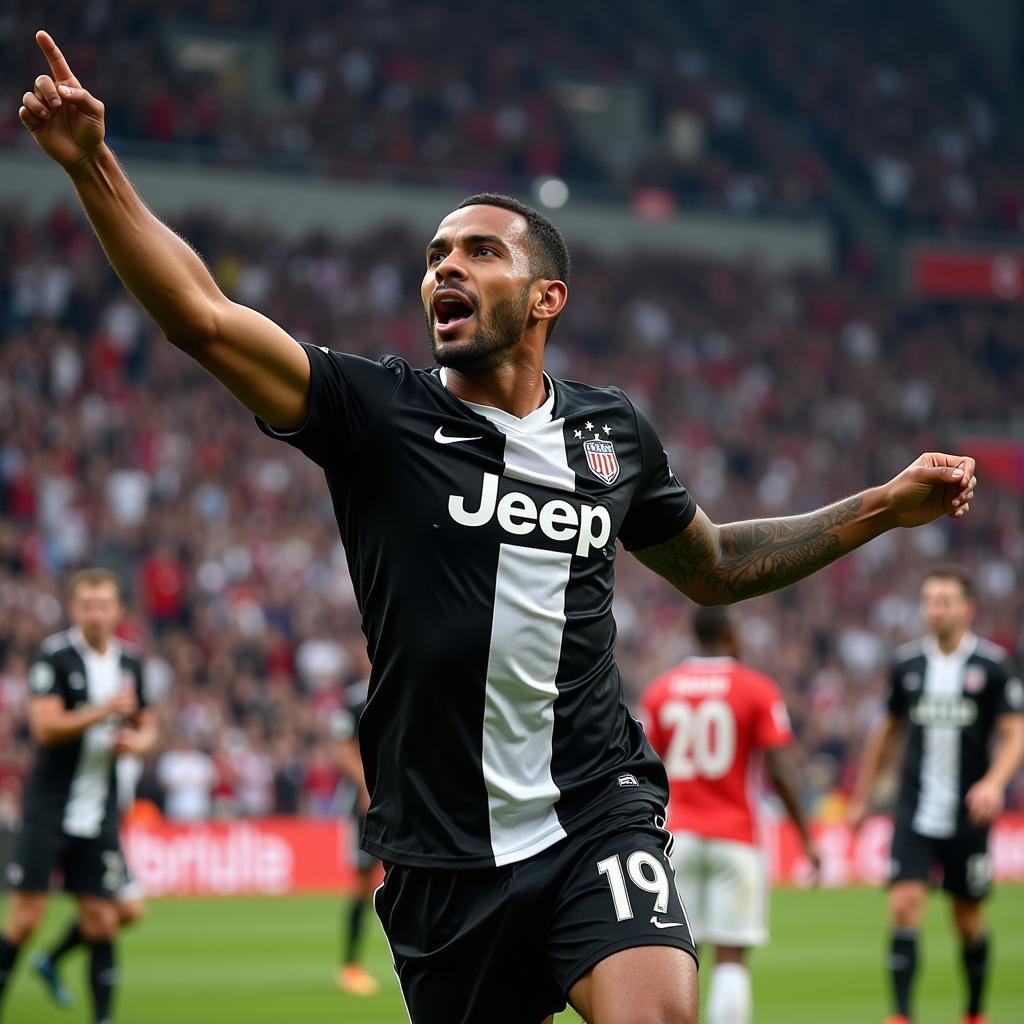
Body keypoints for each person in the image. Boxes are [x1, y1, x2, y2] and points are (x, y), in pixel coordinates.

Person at [17, 31, 979, 1024]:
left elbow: (717, 565)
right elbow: (204, 319)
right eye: (436, 255)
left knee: (658, 1012)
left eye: (480, 251)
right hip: (442, 849)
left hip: (596, 809)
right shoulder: (378, 415)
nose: (447, 268)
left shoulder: (611, 434)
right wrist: (94, 166)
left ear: (545, 298)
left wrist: (882, 506)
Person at [848, 565, 1024, 1024]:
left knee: (967, 920)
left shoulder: (991, 665)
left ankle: (973, 1012)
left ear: (968, 609)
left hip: (969, 814)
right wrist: (863, 796)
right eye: (929, 601)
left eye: (945, 601)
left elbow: (1015, 731)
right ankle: (902, 1015)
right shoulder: (907, 665)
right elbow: (885, 732)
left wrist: (993, 783)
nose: (935, 610)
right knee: (904, 904)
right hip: (914, 808)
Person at [642, 606, 820, 1024]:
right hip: (737, 836)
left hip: (677, 839)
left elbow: (645, 765)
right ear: (731, 635)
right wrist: (805, 837)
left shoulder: (662, 690)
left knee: (682, 955)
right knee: (731, 960)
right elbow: (777, 770)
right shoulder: (756, 689)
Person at [0, 568, 156, 1024]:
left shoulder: (130, 662)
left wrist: (139, 743)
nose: (95, 613)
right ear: (74, 609)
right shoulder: (55, 657)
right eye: (87, 605)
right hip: (49, 807)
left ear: (118, 611)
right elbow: (45, 727)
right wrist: (104, 712)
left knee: (104, 920)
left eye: (104, 605)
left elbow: (147, 725)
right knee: (26, 918)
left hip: (100, 809)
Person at [30, 743, 151, 1010]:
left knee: (131, 910)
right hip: (88, 833)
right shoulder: (94, 746)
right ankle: (102, 1013)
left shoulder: (129, 747)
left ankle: (52, 959)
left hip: (107, 833)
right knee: (104, 915)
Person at [329, 658, 381, 996]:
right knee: (363, 885)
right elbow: (342, 749)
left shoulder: (406, 684)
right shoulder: (354, 699)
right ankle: (350, 966)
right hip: (365, 806)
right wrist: (366, 787)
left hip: (402, 804)